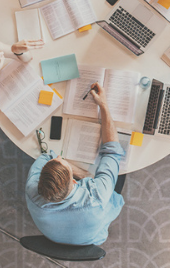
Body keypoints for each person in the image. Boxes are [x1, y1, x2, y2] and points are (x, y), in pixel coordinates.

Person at [25, 83, 125, 245]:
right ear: (74, 181)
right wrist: (103, 105)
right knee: (121, 172)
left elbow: (46, 156)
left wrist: (73, 170)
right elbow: (112, 151)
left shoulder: (32, 189)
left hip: (54, 237)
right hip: (92, 239)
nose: (58, 157)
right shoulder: (97, 197)